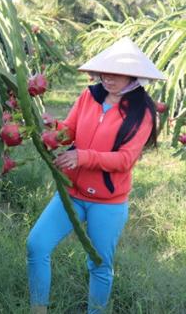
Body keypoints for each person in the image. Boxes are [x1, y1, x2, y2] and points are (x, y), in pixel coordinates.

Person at [26, 37, 166, 313]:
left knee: (100, 265)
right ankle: (37, 308)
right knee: (36, 245)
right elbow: (70, 130)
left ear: (133, 75)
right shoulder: (89, 96)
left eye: (116, 72)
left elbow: (125, 160)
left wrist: (83, 156)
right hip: (71, 194)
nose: (108, 77)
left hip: (108, 203)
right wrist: (51, 128)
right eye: (105, 70)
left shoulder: (142, 113)